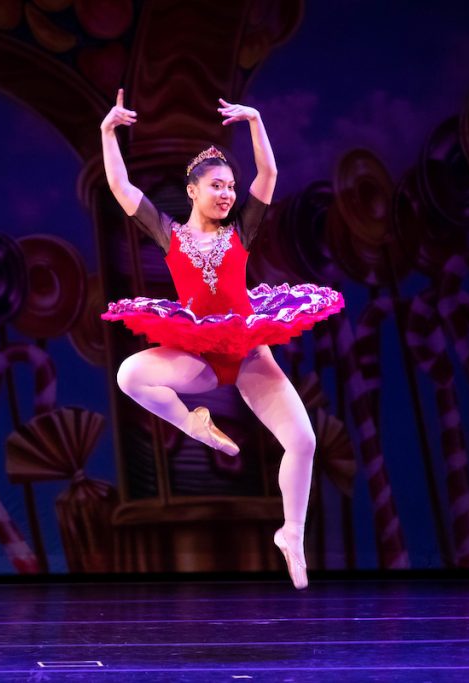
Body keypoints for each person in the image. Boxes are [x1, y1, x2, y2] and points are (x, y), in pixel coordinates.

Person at [100, 89, 344, 590]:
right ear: (192, 191)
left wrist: (255, 121)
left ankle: (291, 535)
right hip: (199, 357)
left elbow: (269, 177)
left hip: (249, 352)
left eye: (231, 186)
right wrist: (107, 132)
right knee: (130, 375)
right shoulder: (170, 235)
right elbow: (122, 186)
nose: (227, 193)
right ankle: (193, 424)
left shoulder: (241, 233)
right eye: (217, 185)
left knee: (302, 440)